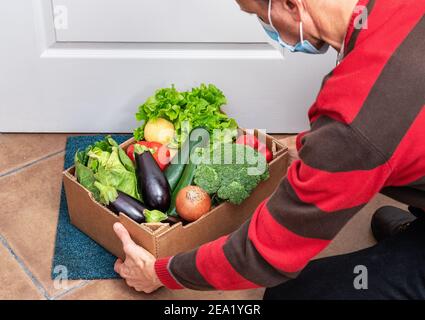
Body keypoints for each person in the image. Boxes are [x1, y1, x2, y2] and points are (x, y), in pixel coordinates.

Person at [112, 0, 425, 299]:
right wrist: (322, 152)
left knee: (289, 295)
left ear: (291, 4)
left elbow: (262, 255)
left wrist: (159, 273)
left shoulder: (354, 123)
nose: (269, 29)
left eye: (258, 15)